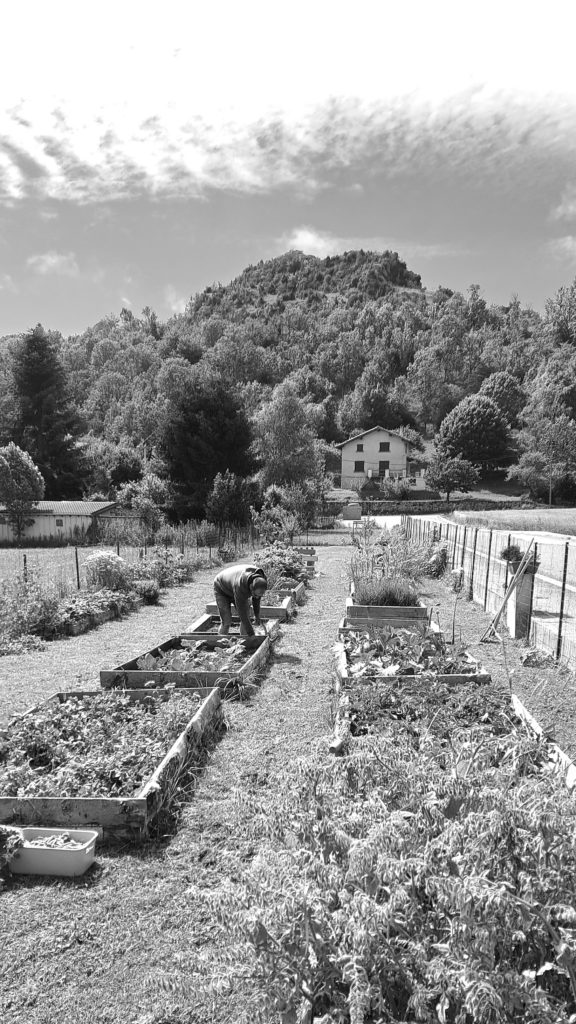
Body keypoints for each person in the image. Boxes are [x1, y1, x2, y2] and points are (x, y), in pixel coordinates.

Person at [213, 563, 268, 636]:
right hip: (221, 587)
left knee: (247, 617)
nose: (257, 597)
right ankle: (221, 643)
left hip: (233, 583)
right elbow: (242, 614)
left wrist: (257, 615)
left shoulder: (261, 580)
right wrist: (251, 634)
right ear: (251, 587)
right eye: (255, 594)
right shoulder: (240, 585)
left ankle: (245, 643)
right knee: (226, 621)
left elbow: (257, 598)